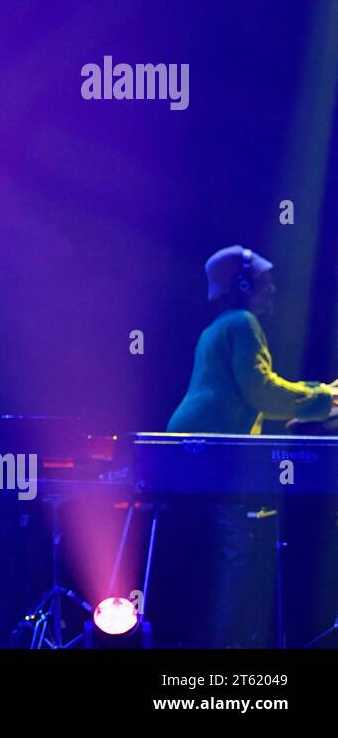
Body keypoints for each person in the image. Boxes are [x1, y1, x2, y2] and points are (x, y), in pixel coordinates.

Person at [165, 245, 338, 646]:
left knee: (219, 553)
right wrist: (323, 399)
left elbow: (251, 393)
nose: (273, 288)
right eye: (266, 280)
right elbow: (261, 389)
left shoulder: (219, 327)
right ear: (244, 283)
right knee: (233, 552)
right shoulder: (242, 322)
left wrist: (316, 395)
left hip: (194, 450)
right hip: (210, 455)